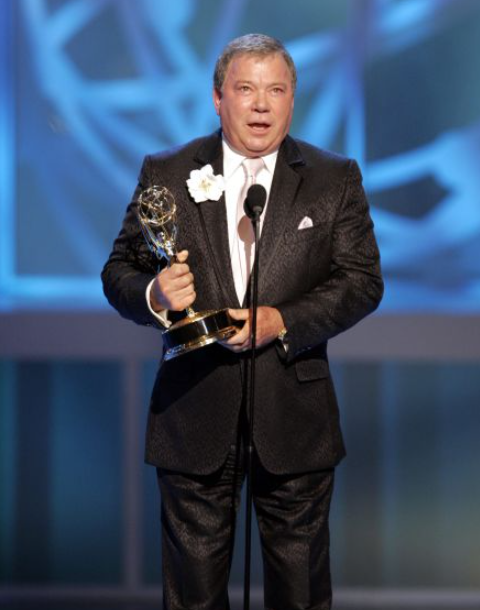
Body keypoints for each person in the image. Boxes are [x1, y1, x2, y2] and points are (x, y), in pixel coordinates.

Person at [102, 33, 383, 610]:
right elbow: (118, 272)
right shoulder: (168, 172)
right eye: (246, 89)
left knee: (300, 596)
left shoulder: (335, 179)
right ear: (217, 99)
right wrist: (154, 293)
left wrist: (281, 320)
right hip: (193, 410)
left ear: (292, 100)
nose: (261, 105)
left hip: (294, 417)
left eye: (276, 90)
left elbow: (362, 282)